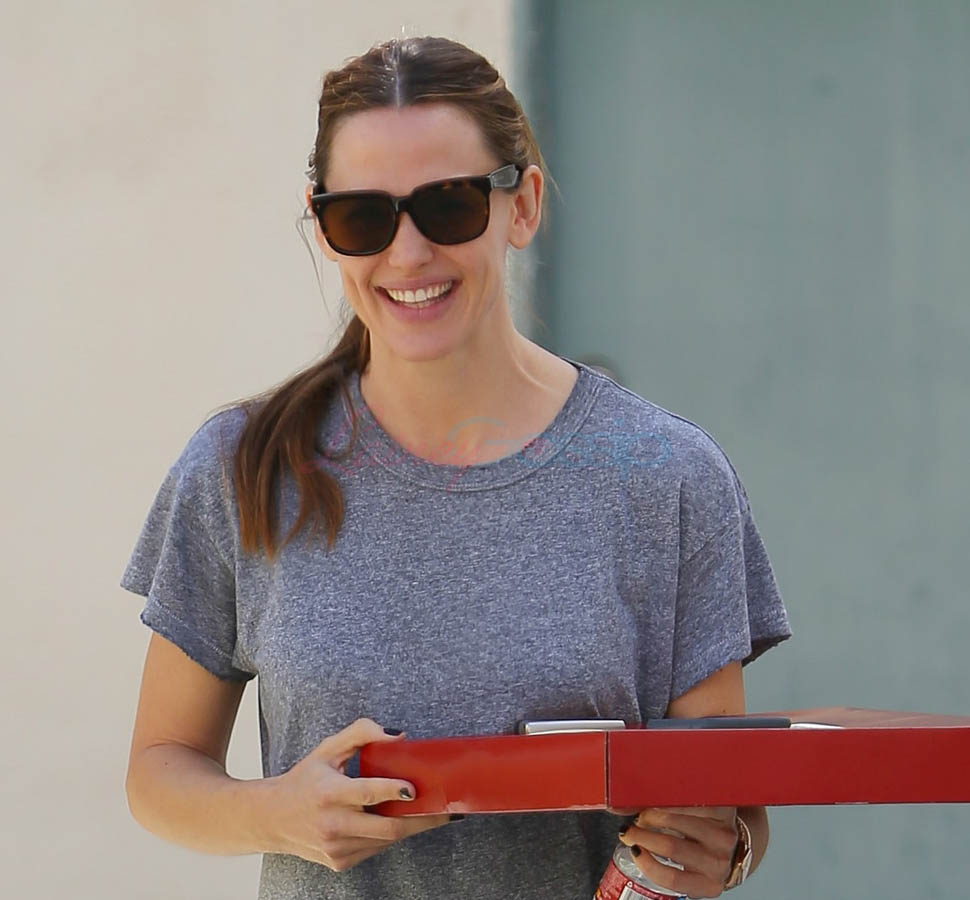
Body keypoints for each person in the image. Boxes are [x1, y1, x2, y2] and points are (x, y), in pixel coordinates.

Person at [121, 35, 792, 900]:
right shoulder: (244, 467)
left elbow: (724, 802)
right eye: (363, 216)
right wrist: (279, 814)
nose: (407, 254)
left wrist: (726, 851)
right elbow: (158, 770)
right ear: (323, 228)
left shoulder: (664, 475)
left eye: (449, 204)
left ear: (523, 206)